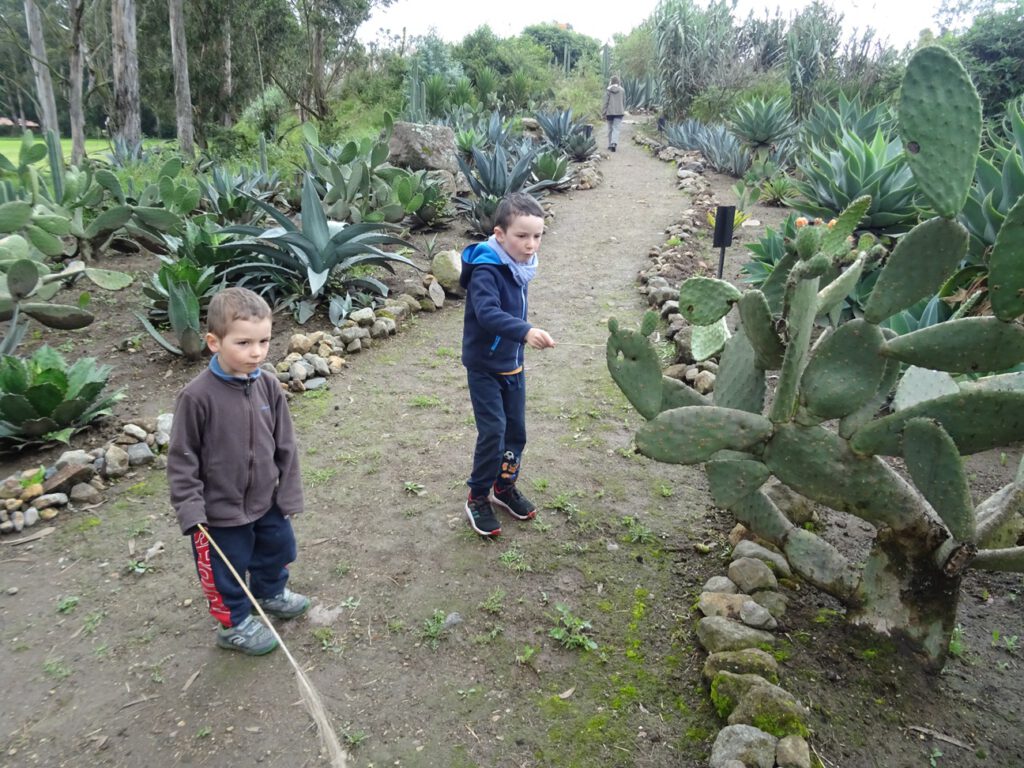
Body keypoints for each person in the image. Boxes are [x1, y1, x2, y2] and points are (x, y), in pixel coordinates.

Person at [167, 287, 310, 655]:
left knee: (277, 547)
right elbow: (182, 460)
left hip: (266, 500)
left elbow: (286, 445)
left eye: (264, 341)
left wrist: (288, 491)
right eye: (244, 343)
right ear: (214, 342)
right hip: (219, 512)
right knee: (224, 569)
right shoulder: (196, 397)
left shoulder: (267, 386)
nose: (257, 352)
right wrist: (191, 511)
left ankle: (271, 591)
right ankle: (234, 624)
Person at [459, 193, 557, 537]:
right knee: (494, 432)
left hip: (513, 365)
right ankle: (477, 496)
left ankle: (504, 487)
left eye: (537, 236)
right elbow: (487, 314)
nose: (531, 245)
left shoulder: (519, 266)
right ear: (499, 234)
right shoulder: (487, 268)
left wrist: (522, 336)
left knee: (516, 433)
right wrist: (525, 330)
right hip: (485, 367)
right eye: (522, 236)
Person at [601, 75, 625, 152]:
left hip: (610, 113)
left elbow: (605, 102)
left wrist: (603, 112)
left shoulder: (608, 90)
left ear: (611, 81)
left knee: (610, 128)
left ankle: (610, 144)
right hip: (619, 112)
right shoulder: (622, 90)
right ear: (618, 81)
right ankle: (614, 143)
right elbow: (623, 101)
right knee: (616, 128)